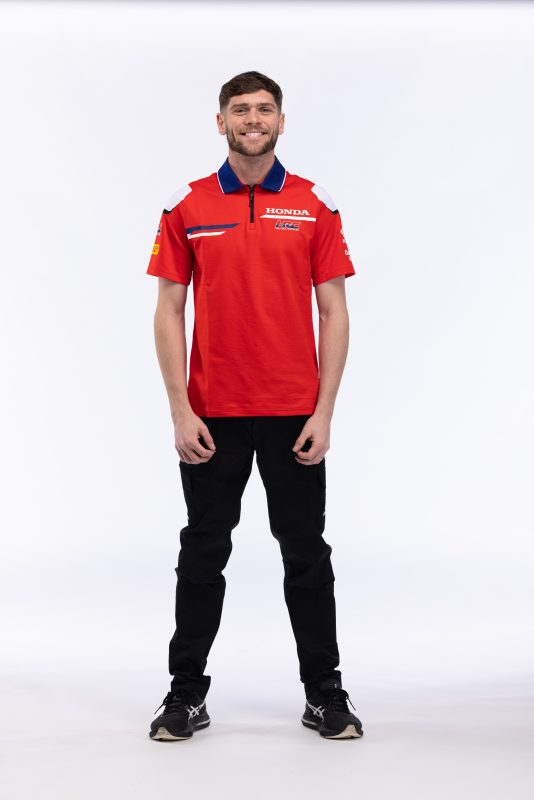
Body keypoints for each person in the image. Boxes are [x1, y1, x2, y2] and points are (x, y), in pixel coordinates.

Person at [145, 70, 363, 742]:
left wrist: (324, 412)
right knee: (203, 551)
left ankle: (325, 694)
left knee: (306, 553)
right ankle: (185, 694)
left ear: (281, 121)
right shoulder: (186, 207)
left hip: (294, 414)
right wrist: (180, 410)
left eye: (264, 109)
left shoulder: (313, 205)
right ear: (221, 122)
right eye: (240, 109)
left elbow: (334, 310)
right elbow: (168, 310)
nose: (253, 119)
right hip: (212, 415)